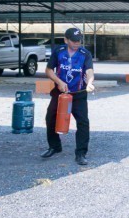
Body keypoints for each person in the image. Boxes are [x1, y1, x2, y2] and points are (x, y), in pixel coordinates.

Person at [41, 27, 95, 165]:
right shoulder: (58, 51)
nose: (77, 43)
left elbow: (89, 70)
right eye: (74, 41)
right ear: (66, 40)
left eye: (79, 40)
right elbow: (49, 70)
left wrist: (90, 83)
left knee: (83, 122)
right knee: (50, 118)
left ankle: (81, 153)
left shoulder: (85, 54)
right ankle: (54, 146)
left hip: (78, 94)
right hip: (60, 93)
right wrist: (59, 82)